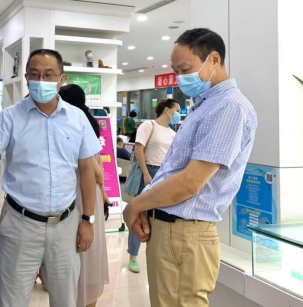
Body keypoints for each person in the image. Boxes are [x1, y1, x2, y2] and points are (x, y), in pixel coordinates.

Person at [0, 49, 101, 307]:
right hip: (20, 225)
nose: (41, 81)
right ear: (26, 78)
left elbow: (87, 170)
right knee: (12, 301)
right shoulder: (10, 117)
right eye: (35, 74)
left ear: (61, 79)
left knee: (66, 300)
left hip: (66, 226)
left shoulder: (77, 118)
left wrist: (87, 219)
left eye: (49, 75)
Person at [123, 28, 257, 307]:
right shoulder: (203, 106)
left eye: (185, 69)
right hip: (170, 229)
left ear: (214, 60)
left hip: (185, 233)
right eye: (176, 71)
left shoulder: (229, 107)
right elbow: (172, 171)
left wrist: (136, 204)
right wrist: (148, 206)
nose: (180, 78)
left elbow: (190, 183)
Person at [59, 84, 109, 307]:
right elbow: (99, 167)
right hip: (90, 193)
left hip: (79, 193)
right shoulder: (89, 121)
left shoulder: (75, 124)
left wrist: (100, 185)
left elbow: (94, 169)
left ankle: (79, 296)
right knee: (87, 248)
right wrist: (103, 190)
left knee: (79, 247)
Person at [127, 98, 180, 274]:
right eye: (177, 110)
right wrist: (145, 173)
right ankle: (133, 255)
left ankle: (158, 254)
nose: (178, 114)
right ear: (167, 110)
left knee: (159, 215)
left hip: (164, 174)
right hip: (148, 170)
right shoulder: (148, 126)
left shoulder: (172, 133)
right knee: (139, 213)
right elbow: (139, 149)